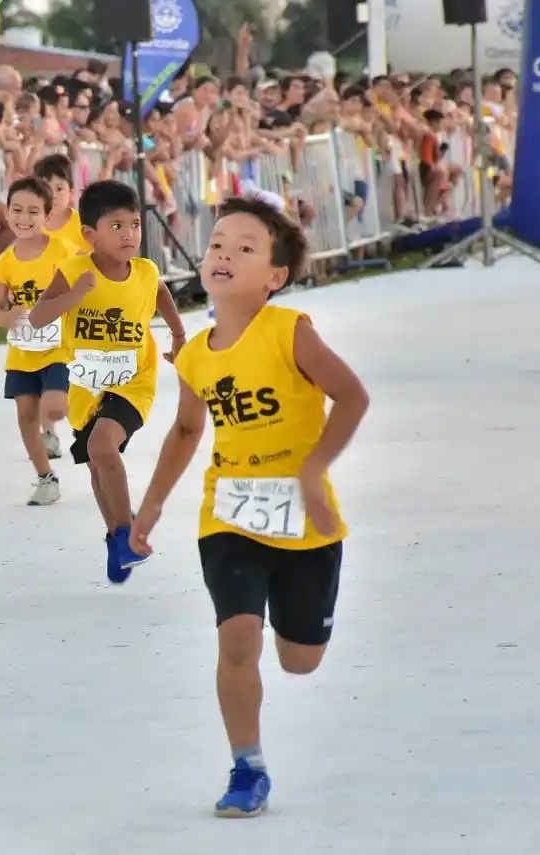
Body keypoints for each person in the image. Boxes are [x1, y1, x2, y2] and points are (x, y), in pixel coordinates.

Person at [129, 197, 369, 818]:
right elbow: (185, 432)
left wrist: (313, 470)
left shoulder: (290, 331)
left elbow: (352, 397)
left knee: (299, 661)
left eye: (244, 248)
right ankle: (247, 767)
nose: (224, 255)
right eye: (216, 244)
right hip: (230, 513)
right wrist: (149, 508)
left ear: (275, 276)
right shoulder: (194, 355)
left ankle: (300, 638)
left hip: (306, 521)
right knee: (237, 639)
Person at [29, 180, 186, 580]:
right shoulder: (75, 270)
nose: (129, 234)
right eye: (116, 226)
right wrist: (74, 296)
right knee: (97, 464)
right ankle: (116, 537)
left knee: (102, 446)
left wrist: (178, 335)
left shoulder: (146, 271)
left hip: (134, 381)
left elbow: (161, 292)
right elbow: (39, 316)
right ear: (89, 234)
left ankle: (125, 534)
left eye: (134, 224)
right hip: (86, 386)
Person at [0, 177, 78, 506]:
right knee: (26, 416)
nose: (23, 218)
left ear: (47, 214)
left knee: (55, 406)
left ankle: (88, 428)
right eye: (16, 210)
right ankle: (45, 478)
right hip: (23, 350)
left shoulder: (62, 251)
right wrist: (6, 316)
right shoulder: (7, 261)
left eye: (33, 211)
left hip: (58, 348)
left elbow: (83, 288)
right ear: (7, 211)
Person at [34, 153, 90, 252]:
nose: (53, 195)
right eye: (46, 189)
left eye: (59, 189)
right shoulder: (32, 228)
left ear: (71, 193)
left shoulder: (84, 225)